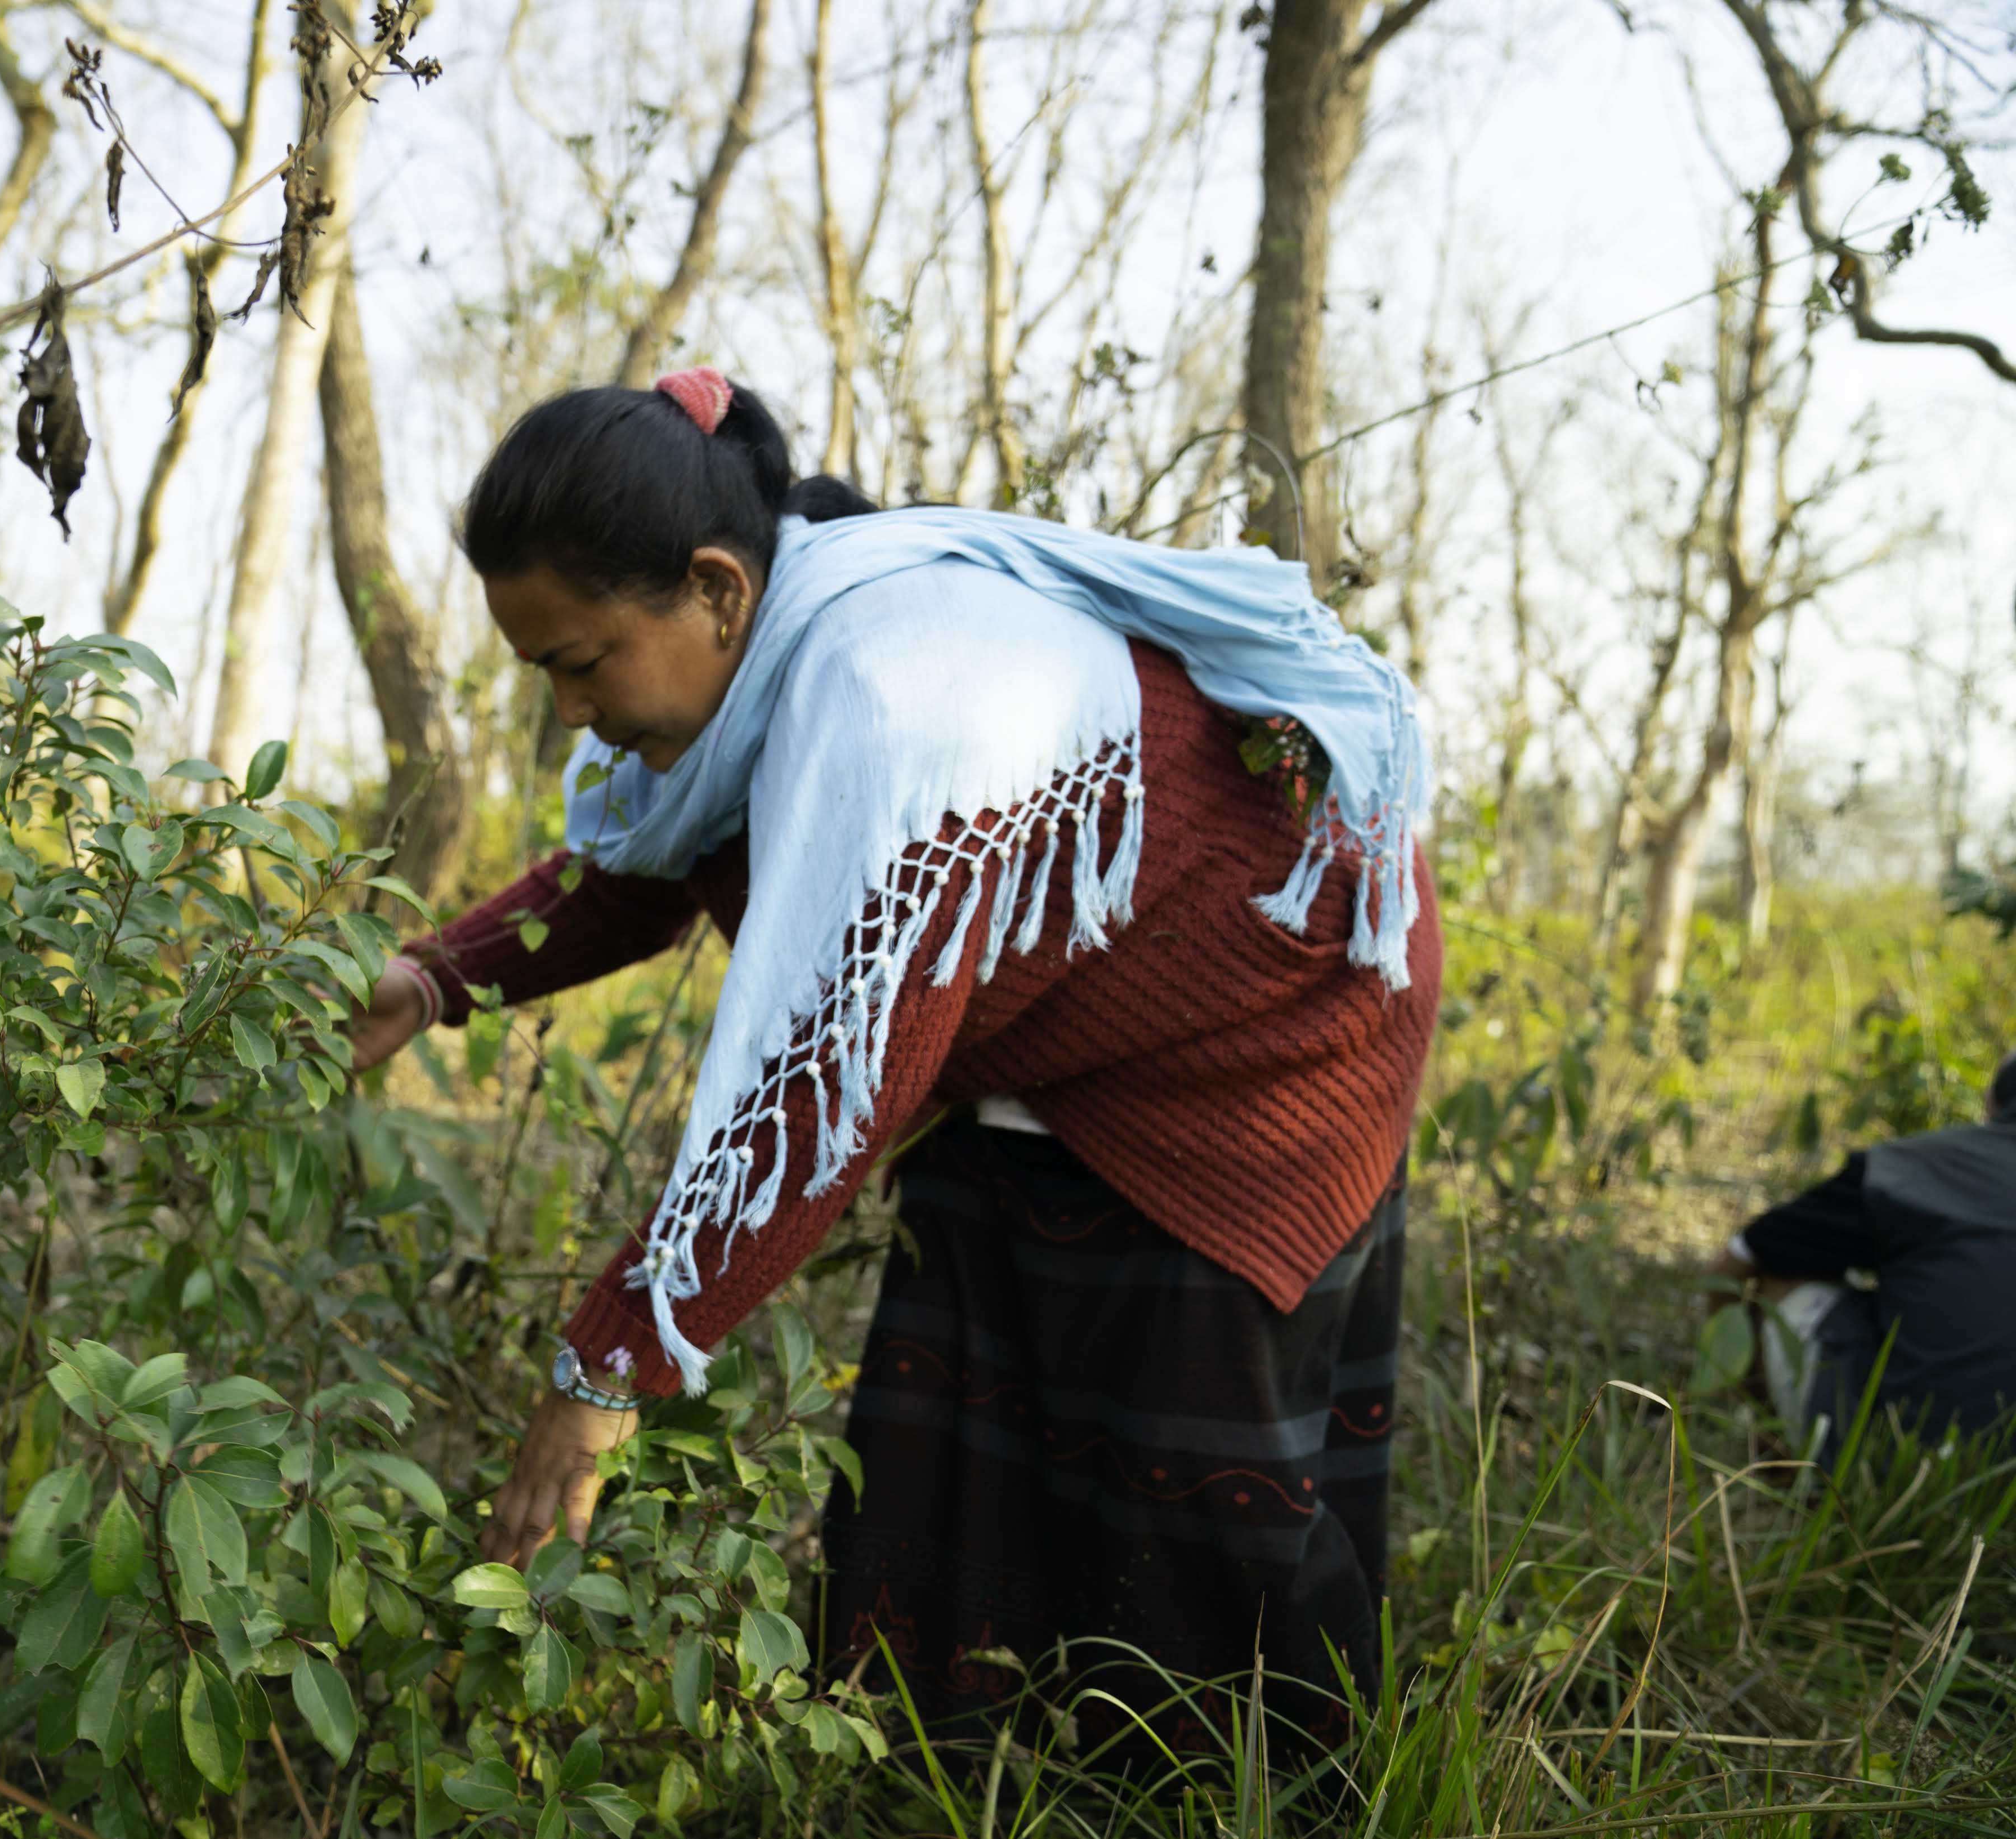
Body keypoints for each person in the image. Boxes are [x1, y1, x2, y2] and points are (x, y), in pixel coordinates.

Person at [346, 368, 1441, 1748]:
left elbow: (824, 1088)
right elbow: (652, 863)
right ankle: (962, 1767)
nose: (569, 709)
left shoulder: (890, 691)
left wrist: (604, 1371)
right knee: (951, 1460)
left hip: (1263, 1038)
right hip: (1069, 1035)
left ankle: (1286, 1783)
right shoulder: (761, 656)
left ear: (714, 588)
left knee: (1185, 1517)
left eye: (581, 660)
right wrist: (434, 976)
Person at [1713, 1048, 2016, 1448]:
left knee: (1778, 1271)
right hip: (1992, 1503)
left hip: (1915, 1468)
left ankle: (1780, 1451)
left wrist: (1714, 1378)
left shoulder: (1915, 1167)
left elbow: (1738, 1260)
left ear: (1990, 1105)